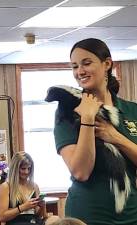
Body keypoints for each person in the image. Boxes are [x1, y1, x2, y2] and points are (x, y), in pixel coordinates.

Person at [53, 38, 137, 225]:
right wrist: (88, 120)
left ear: (107, 64)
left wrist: (114, 136)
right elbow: (81, 172)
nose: (79, 71)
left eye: (86, 63)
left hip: (131, 214)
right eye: (74, 66)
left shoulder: (132, 111)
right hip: (87, 216)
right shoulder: (67, 112)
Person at [0, 152, 48, 225]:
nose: (26, 172)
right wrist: (23, 207)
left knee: (57, 220)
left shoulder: (34, 186)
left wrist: (42, 207)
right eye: (23, 169)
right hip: (17, 222)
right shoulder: (5, 187)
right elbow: (2, 217)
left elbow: (38, 215)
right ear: (15, 169)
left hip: (34, 221)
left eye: (29, 168)